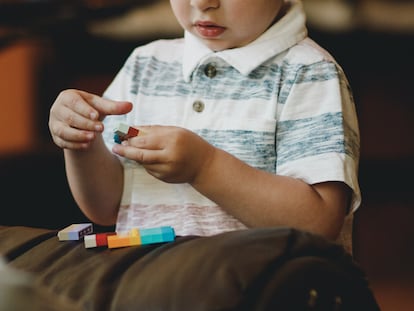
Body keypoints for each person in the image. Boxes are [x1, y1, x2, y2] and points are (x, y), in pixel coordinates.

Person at [48, 0, 360, 246]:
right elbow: (106, 207)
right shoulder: (145, 64)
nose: (202, 2)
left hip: (263, 293)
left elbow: (319, 224)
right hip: (149, 288)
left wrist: (205, 167)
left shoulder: (308, 72)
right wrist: (81, 141)